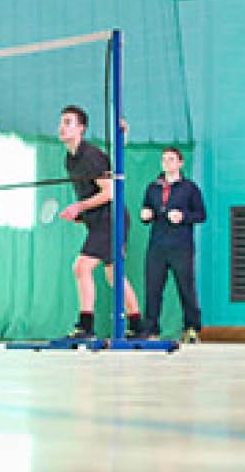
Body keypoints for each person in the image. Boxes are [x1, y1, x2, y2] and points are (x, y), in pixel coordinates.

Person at [57, 105, 143, 340]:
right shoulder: (70, 159)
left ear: (81, 128)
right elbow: (90, 193)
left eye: (68, 122)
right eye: (61, 122)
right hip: (99, 221)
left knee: (81, 267)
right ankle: (138, 326)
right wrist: (82, 215)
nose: (62, 127)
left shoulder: (90, 156)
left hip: (111, 220)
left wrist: (80, 207)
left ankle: (86, 327)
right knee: (114, 276)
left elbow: (110, 192)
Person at [139, 147, 206, 342]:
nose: (167, 163)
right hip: (157, 245)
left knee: (186, 288)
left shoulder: (190, 188)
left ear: (180, 163)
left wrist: (183, 216)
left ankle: (191, 328)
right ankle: (150, 330)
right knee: (153, 289)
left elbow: (201, 214)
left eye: (171, 159)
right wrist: (145, 215)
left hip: (181, 246)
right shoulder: (153, 187)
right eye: (164, 159)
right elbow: (147, 210)